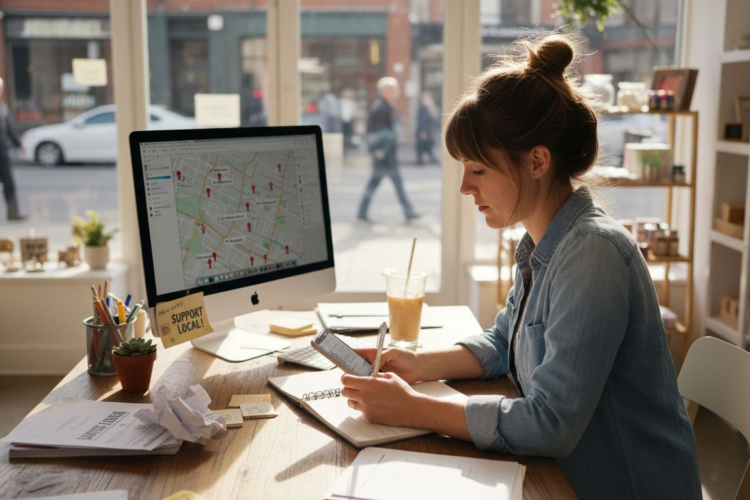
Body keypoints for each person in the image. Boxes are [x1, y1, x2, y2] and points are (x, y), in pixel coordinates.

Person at [341, 35, 701, 499]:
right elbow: (502, 341)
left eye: (479, 170)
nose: (465, 188)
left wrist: (411, 409)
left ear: (536, 161)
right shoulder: (543, 244)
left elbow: (551, 425)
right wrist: (416, 365)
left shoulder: (592, 254)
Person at [357, 77, 418, 223]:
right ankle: (408, 212)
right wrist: (381, 151)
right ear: (386, 91)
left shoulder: (384, 106)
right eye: (394, 89)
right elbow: (379, 134)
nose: (396, 92)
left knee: (389, 184)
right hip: (384, 156)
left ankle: (409, 212)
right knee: (380, 184)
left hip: (386, 155)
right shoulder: (380, 108)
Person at [0, 77, 25, 221]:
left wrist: (19, 143)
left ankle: (13, 213)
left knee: (9, 183)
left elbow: (10, 128)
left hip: (3, 152)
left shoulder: (3, 107)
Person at [415, 90, 439, 165]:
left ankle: (431, 159)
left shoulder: (432, 108)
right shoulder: (422, 109)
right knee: (421, 147)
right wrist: (422, 131)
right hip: (423, 131)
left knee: (428, 146)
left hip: (430, 131)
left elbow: (435, 120)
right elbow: (421, 121)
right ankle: (420, 161)